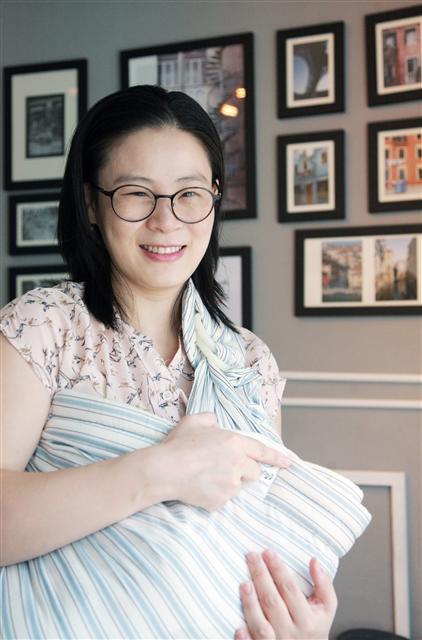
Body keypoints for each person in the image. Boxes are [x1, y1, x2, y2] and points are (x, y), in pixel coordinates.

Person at [1, 85, 342, 639]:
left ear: (213, 198)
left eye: (189, 193)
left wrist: (296, 623)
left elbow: (252, 540)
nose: (166, 220)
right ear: (91, 203)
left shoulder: (249, 362)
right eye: (137, 193)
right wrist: (162, 471)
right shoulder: (43, 327)